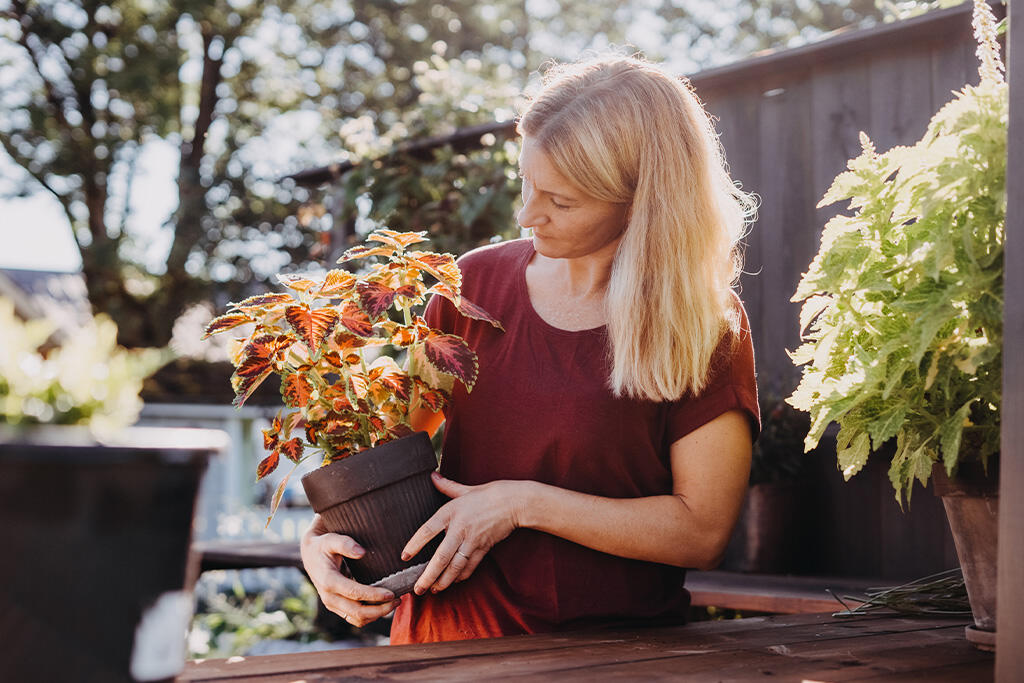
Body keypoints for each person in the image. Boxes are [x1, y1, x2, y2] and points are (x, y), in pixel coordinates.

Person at [300, 53, 759, 644]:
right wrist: (319, 547)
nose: (526, 214)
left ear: (643, 201)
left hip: (614, 657)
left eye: (561, 201)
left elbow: (702, 532)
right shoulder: (471, 289)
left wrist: (524, 505)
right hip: (438, 654)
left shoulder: (701, 326)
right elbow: (377, 461)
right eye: (526, 182)